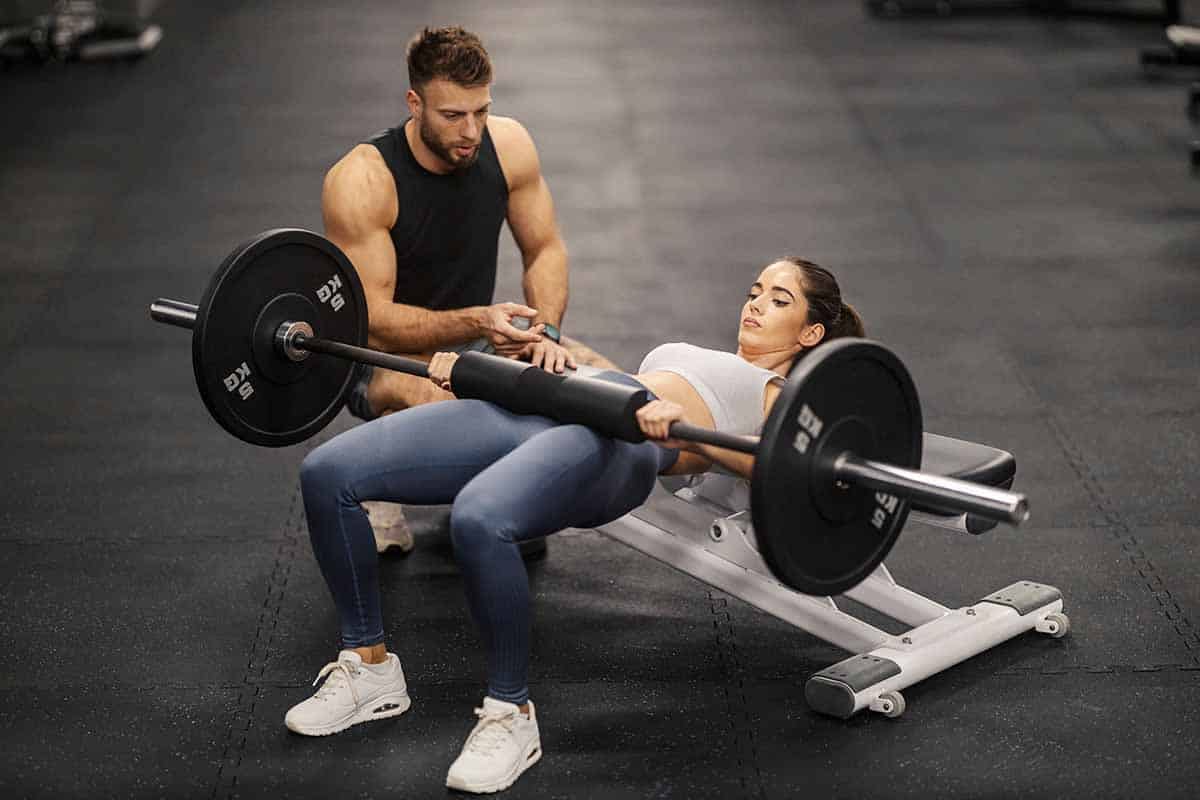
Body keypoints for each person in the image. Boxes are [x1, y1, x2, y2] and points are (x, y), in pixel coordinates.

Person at [287, 258, 865, 793]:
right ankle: (369, 670)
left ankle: (510, 715)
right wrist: (538, 355)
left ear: (810, 333)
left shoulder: (780, 395)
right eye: (755, 291)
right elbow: (613, 380)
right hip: (550, 402)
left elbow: (782, 471)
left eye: (779, 299)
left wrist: (687, 433)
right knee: (328, 472)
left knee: (481, 517)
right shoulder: (704, 356)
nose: (756, 303)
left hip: (619, 443)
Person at [320, 25, 615, 554]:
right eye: (452, 115)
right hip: (380, 358)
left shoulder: (508, 145)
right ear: (415, 103)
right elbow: (374, 318)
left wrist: (545, 331)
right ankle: (376, 474)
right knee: (454, 406)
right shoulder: (364, 180)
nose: (471, 131)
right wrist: (479, 321)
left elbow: (545, 248)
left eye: (480, 111)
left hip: (472, 340)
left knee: (604, 384)